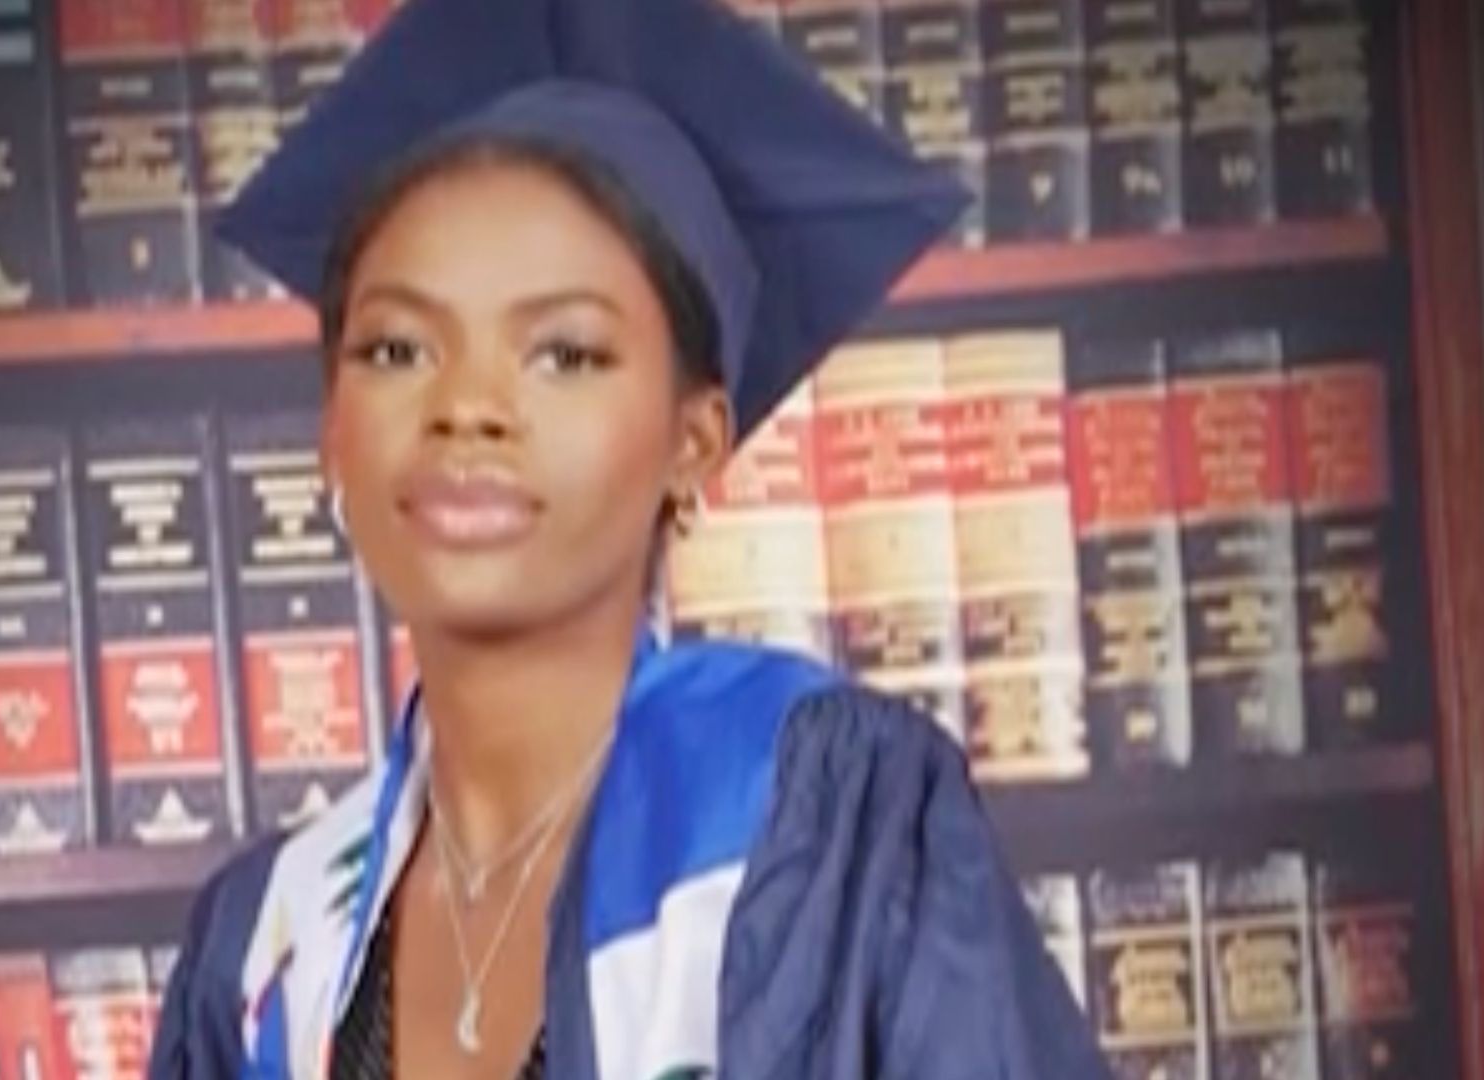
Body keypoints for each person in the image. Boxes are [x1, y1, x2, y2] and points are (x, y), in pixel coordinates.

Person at [149, 0, 1113, 1075]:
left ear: (694, 443)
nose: (467, 406)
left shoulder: (824, 824)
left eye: (564, 354)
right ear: (332, 431)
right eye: (396, 349)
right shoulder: (266, 949)